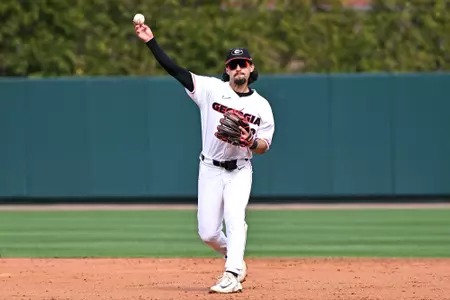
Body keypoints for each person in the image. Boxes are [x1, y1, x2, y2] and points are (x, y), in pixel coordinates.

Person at [134, 21, 275, 294]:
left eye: (242, 64)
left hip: (240, 169)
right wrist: (151, 42)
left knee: (235, 217)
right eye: (233, 65)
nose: (238, 69)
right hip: (210, 168)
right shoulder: (210, 89)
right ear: (227, 70)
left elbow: (264, 145)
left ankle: (232, 274)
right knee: (208, 233)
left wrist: (251, 141)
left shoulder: (262, 106)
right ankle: (234, 257)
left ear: (251, 68)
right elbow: (175, 71)